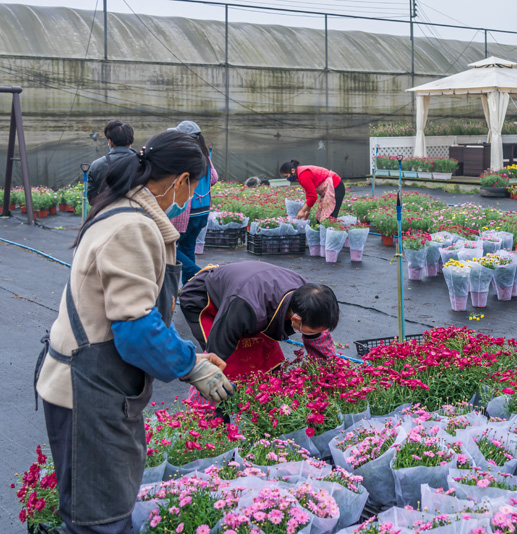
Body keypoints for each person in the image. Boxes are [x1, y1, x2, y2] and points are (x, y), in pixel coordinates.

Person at [34, 130, 235, 534]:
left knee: (99, 510)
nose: (191, 196)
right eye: (194, 186)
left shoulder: (125, 210)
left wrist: (191, 357)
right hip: (88, 392)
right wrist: (191, 368)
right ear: (181, 181)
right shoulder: (133, 227)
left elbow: (130, 315)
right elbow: (136, 328)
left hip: (98, 384)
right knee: (100, 520)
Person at [179, 261, 339, 380]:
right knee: (229, 365)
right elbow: (215, 355)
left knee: (269, 361)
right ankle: (216, 420)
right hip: (205, 298)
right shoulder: (246, 308)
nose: (313, 334)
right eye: (310, 331)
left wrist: (330, 373)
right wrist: (206, 381)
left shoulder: (310, 297)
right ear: (296, 319)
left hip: (248, 294)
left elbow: (318, 338)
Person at [168, 120, 218, 284]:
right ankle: (191, 288)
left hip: (187, 212)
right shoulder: (205, 154)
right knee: (187, 247)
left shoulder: (185, 155)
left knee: (167, 246)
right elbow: (214, 178)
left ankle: (201, 275)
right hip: (202, 212)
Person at [86, 120, 136, 203]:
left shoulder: (97, 165)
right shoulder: (144, 162)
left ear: (110, 142)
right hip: (137, 212)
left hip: (107, 212)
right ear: (133, 139)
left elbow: (92, 199)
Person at [280, 160, 345, 221]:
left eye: (286, 176)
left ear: (293, 170)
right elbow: (309, 195)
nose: (287, 179)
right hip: (331, 187)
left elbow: (313, 196)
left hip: (336, 186)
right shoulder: (300, 174)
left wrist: (302, 211)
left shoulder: (303, 175)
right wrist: (307, 212)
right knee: (320, 218)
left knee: (329, 218)